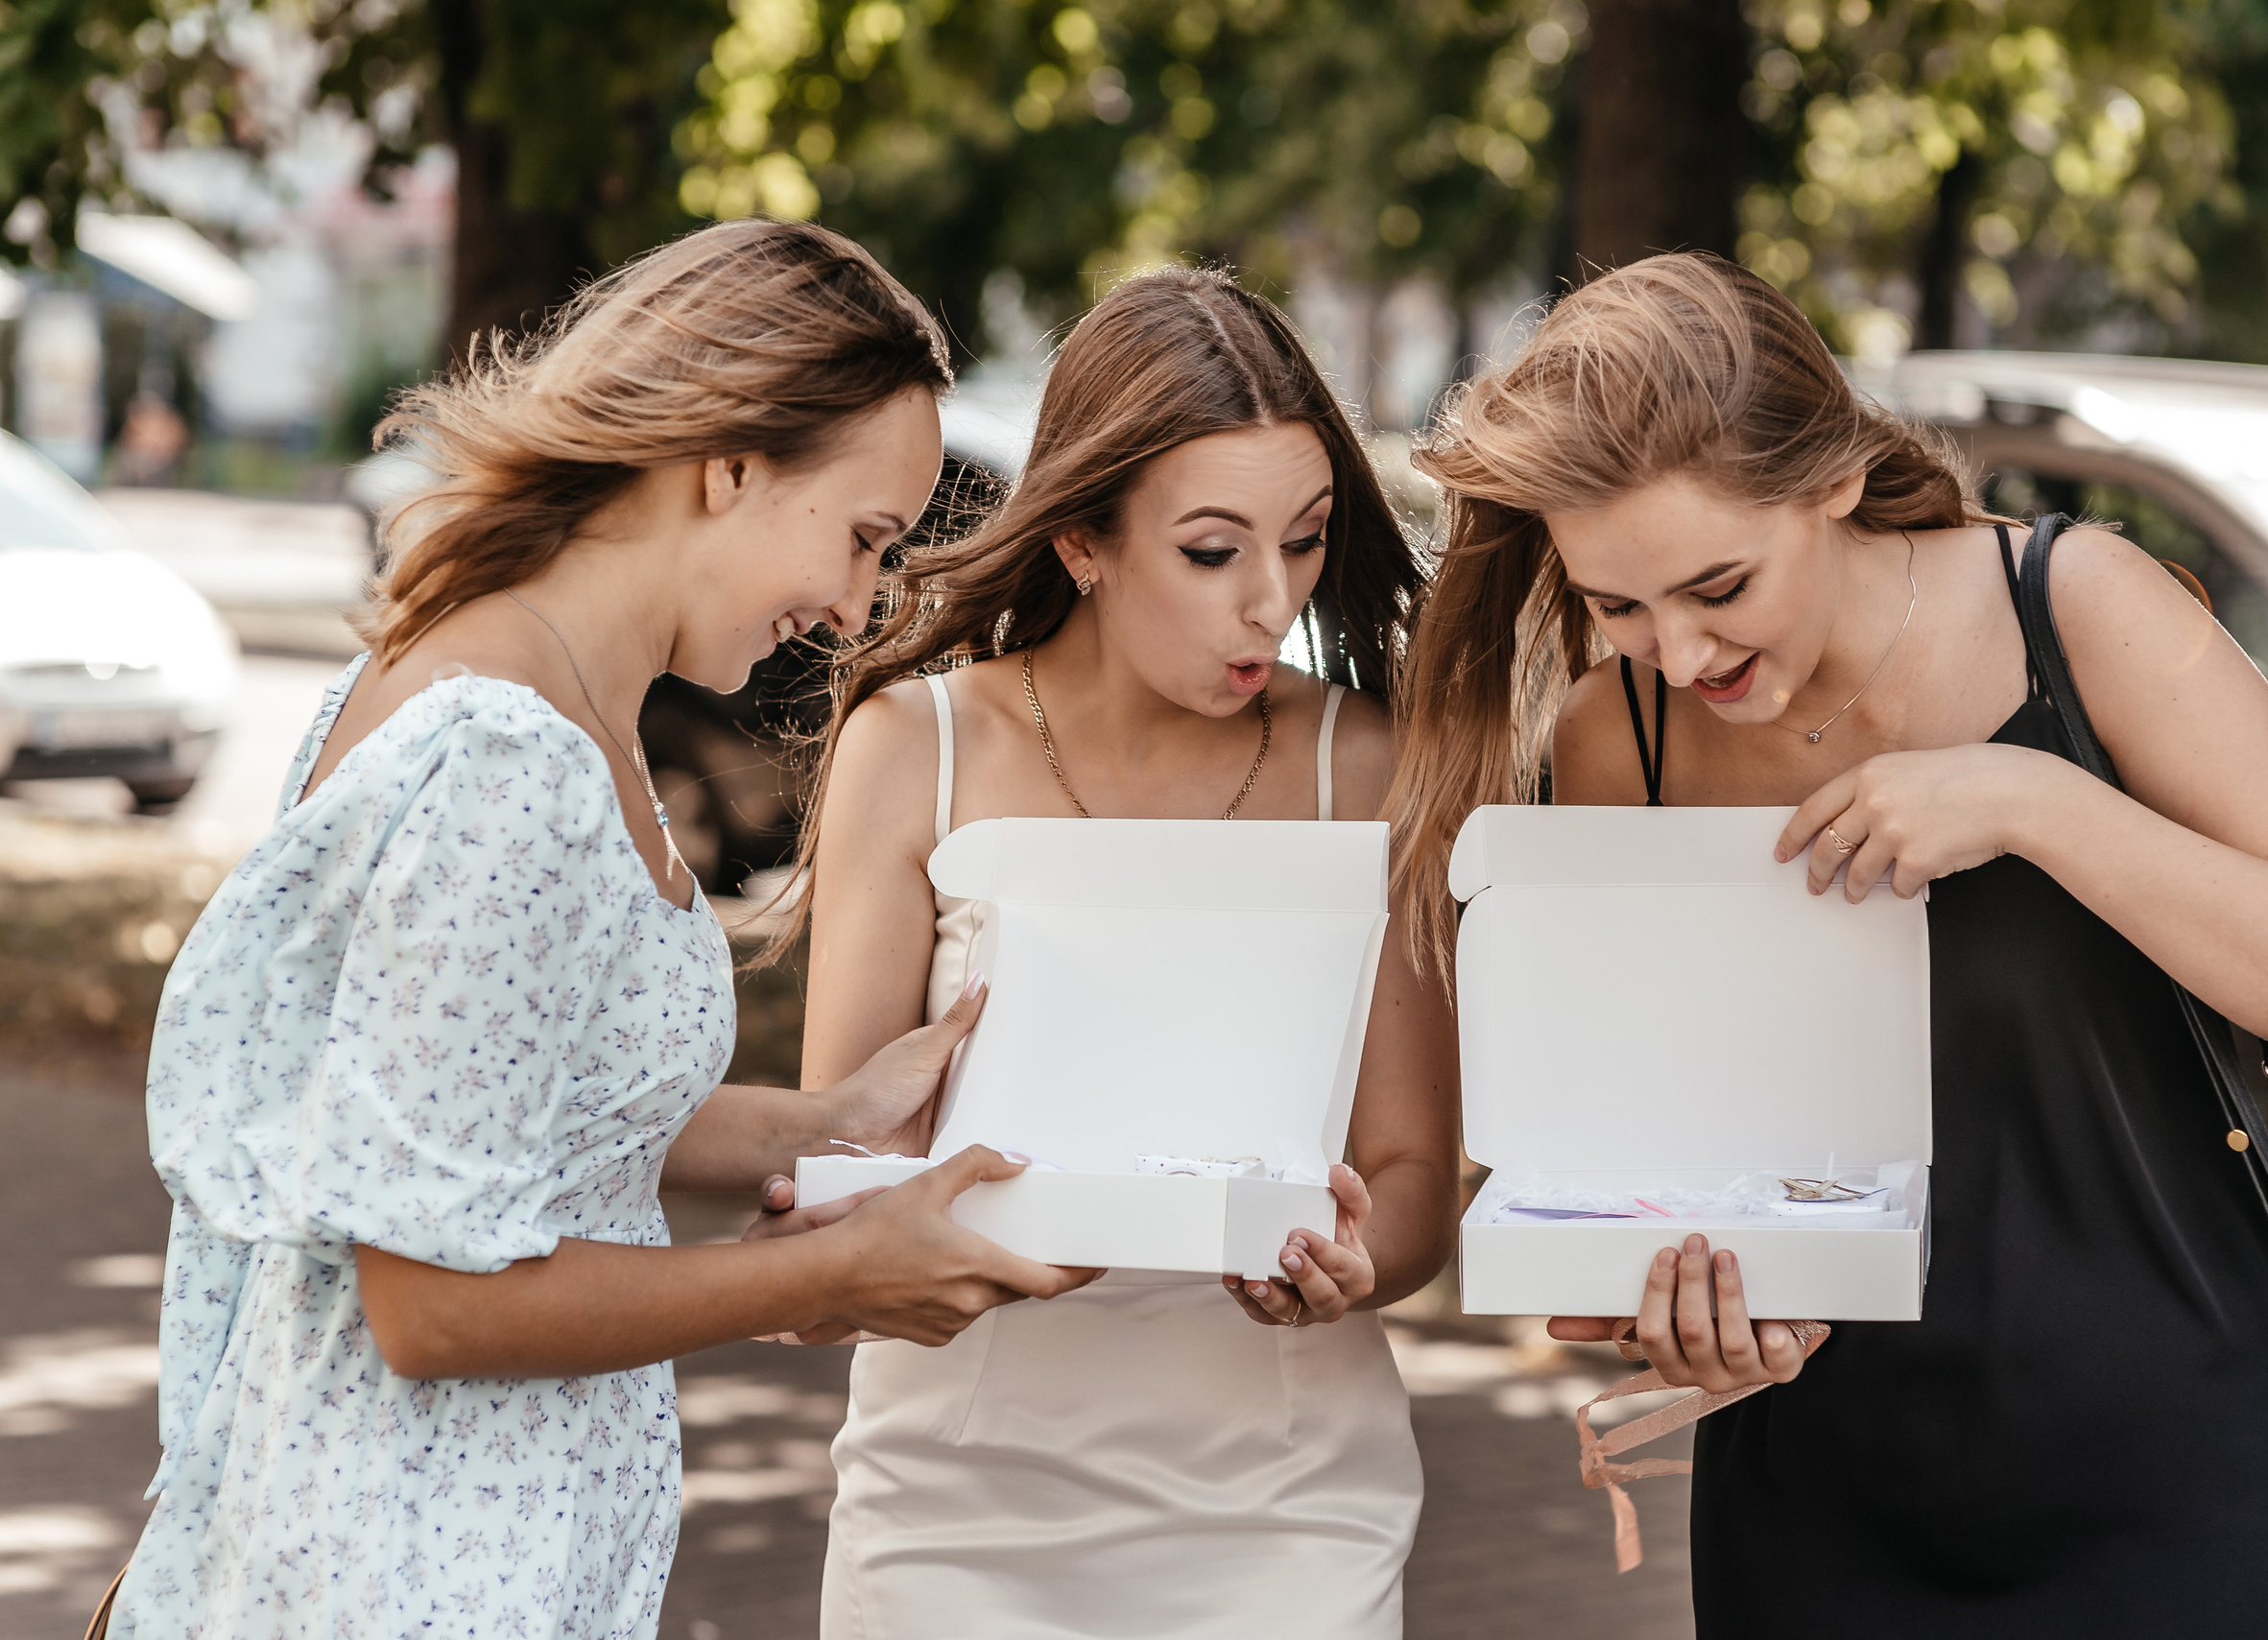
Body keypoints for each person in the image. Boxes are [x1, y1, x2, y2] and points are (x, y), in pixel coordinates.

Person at [1382, 253, 2268, 1637]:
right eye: (1618, 605)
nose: (1681, 651)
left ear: (1828, 479)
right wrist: (1687, 1314)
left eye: (1719, 583)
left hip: (2177, 1463)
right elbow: (1669, 1147)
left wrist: (2034, 801)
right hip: (1821, 1495)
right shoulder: (1615, 735)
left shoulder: (2080, 612)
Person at [117, 221, 1096, 1640]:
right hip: (404, 1571)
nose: (860, 602)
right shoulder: (509, 760)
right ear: (734, 463)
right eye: (867, 535)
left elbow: (507, 1114)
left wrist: (822, 1122)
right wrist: (819, 1274)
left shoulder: (544, 694)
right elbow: (430, 1296)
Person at [778, 264, 1458, 1638]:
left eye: (1309, 539)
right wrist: (887, 1213)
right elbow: (835, 1185)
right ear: (1081, 540)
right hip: (954, 1511)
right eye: (1213, 552)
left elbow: (1414, 1185)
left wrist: (1349, 1261)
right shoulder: (915, 748)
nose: (1273, 600)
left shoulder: (1365, 763)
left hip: (1286, 1518)